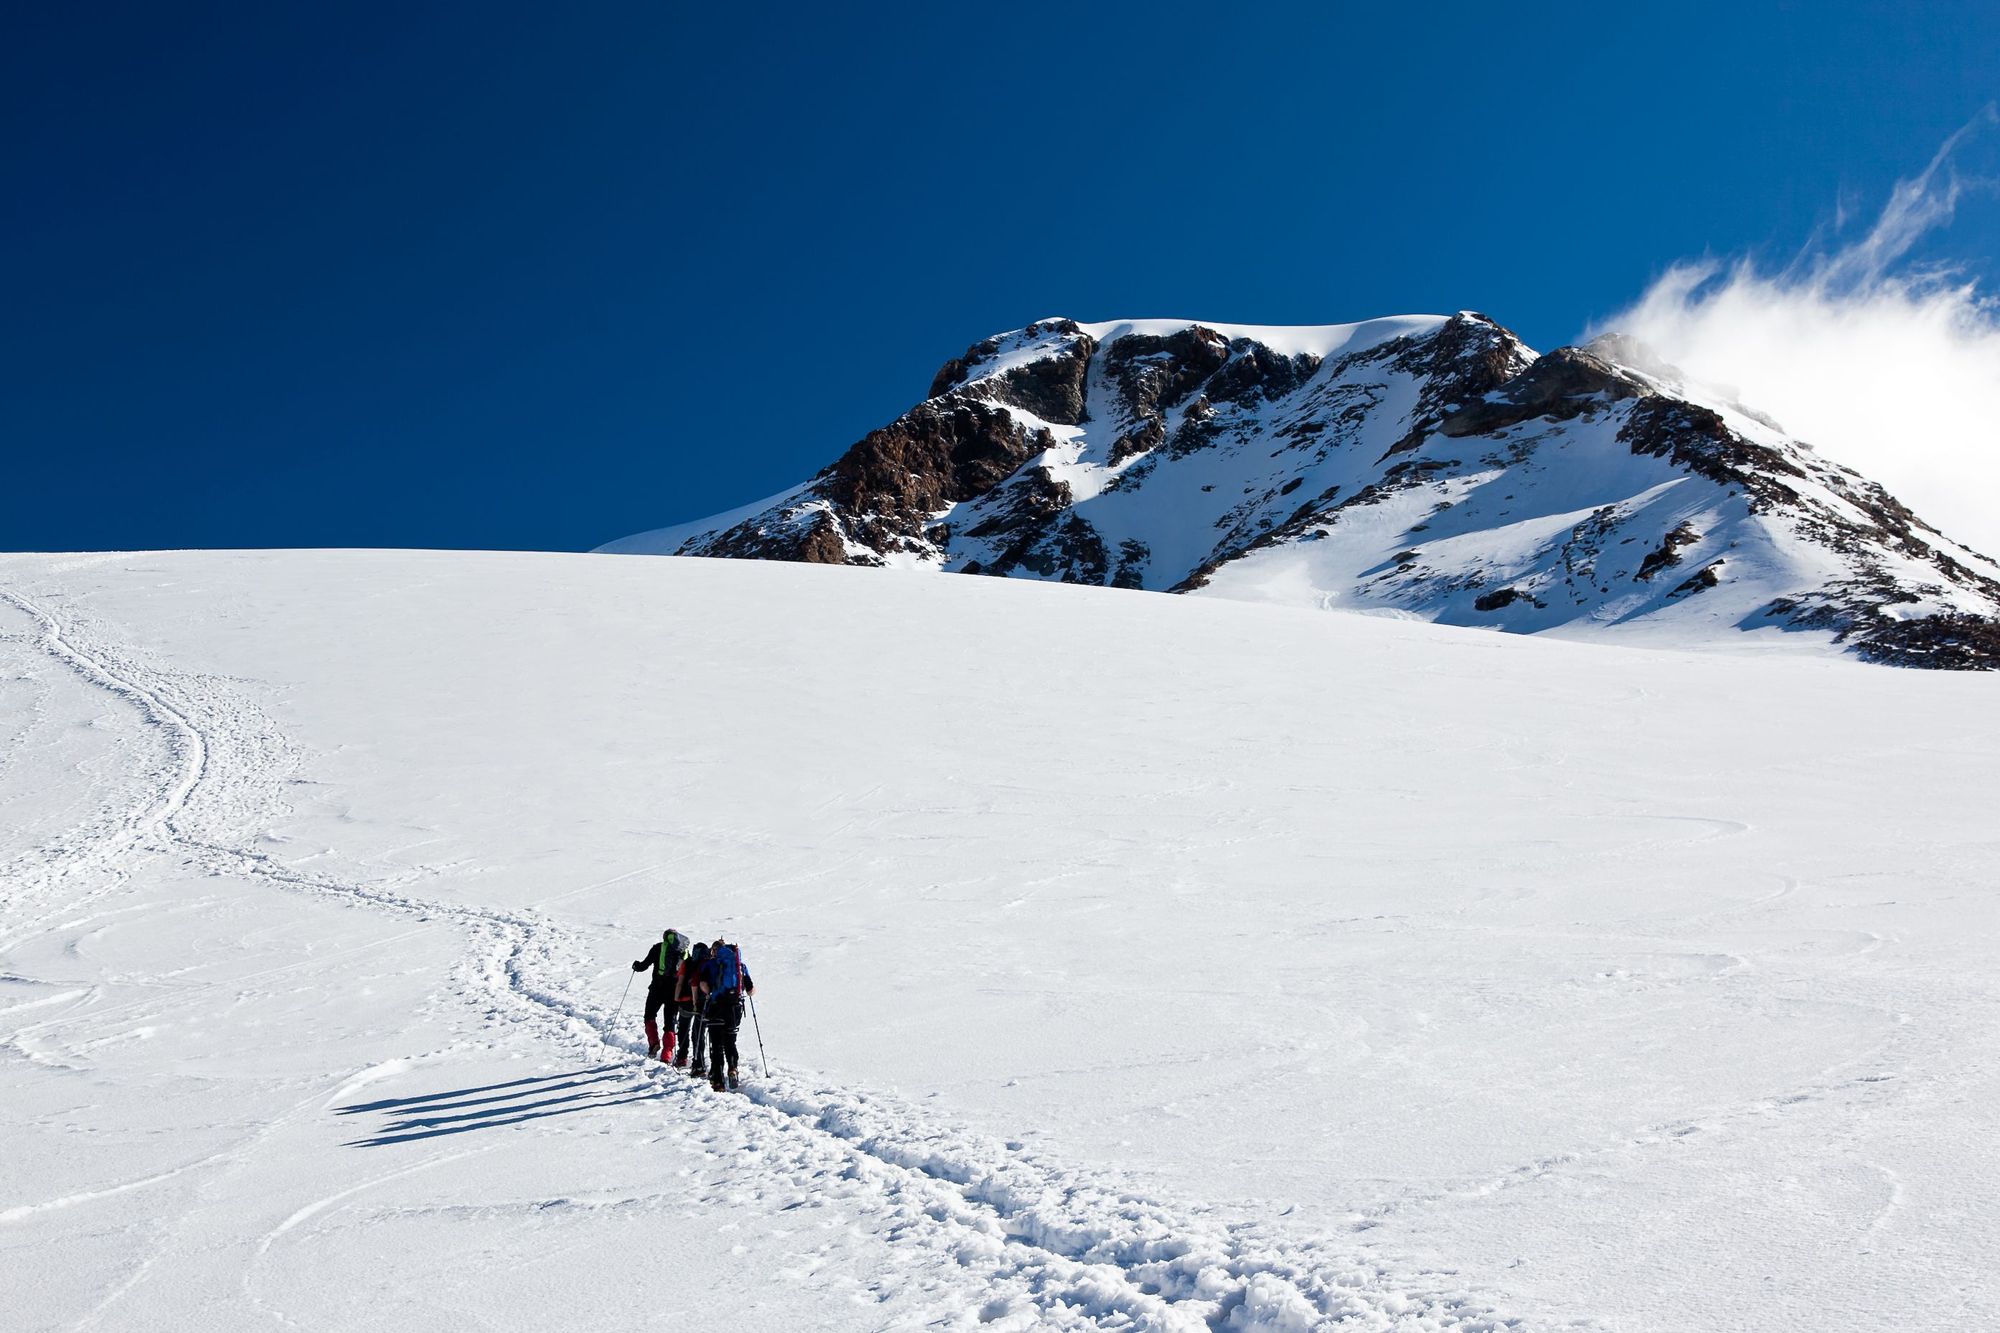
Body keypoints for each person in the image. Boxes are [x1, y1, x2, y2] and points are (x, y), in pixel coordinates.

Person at [697, 937, 754, 1091]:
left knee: (716, 1045)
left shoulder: (710, 964)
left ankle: (718, 1081)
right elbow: (750, 990)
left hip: (716, 1007)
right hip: (735, 1009)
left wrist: (710, 991)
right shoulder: (740, 965)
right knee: (730, 1041)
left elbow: (704, 986)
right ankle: (733, 1069)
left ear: (715, 951)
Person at [630, 929, 687, 1062]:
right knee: (670, 1022)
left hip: (657, 988)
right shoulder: (683, 952)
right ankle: (667, 1053)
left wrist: (636, 965)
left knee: (649, 1015)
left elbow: (643, 966)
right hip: (674, 991)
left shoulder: (658, 948)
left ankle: (654, 1043)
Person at [674, 940, 711, 1075]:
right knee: (698, 1033)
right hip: (701, 1004)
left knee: (683, 1029)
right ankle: (698, 1061)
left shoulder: (687, 962)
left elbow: (680, 982)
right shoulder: (707, 964)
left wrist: (676, 998)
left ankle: (682, 1057)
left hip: (685, 1001)